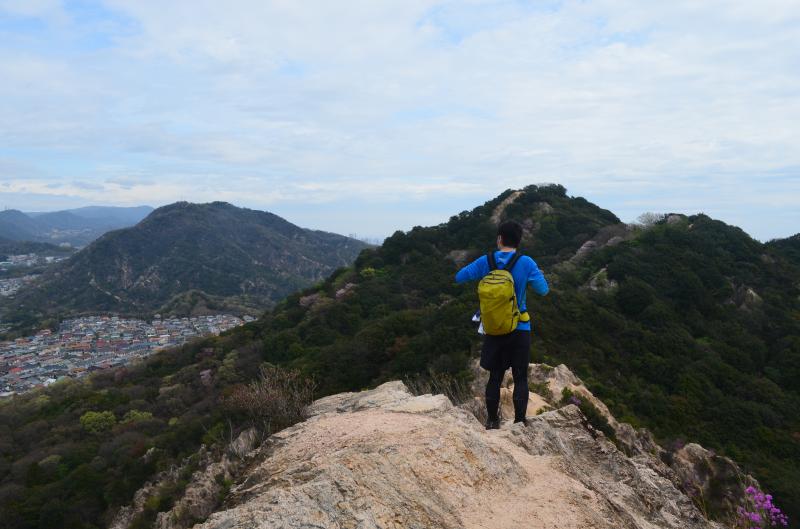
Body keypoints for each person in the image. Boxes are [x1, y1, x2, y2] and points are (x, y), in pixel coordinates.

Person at [455, 220, 549, 429]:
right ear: (518, 241)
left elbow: (459, 277)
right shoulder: (526, 262)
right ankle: (519, 422)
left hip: (494, 327)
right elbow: (543, 290)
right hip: (520, 327)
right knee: (520, 377)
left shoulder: (486, 260)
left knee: (495, 376)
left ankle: (492, 421)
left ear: (499, 239)